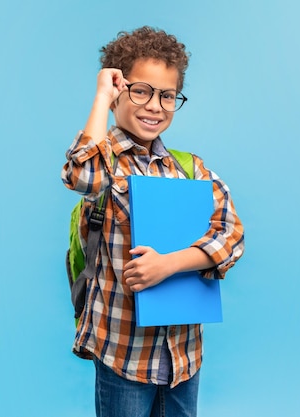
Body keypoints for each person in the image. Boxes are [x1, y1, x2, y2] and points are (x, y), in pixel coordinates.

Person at [61, 26, 245, 417]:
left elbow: (231, 233)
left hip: (184, 355)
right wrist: (101, 96)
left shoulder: (189, 169)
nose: (155, 106)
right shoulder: (107, 161)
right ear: (119, 91)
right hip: (123, 352)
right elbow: (82, 177)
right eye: (140, 91)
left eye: (167, 96)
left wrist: (171, 264)